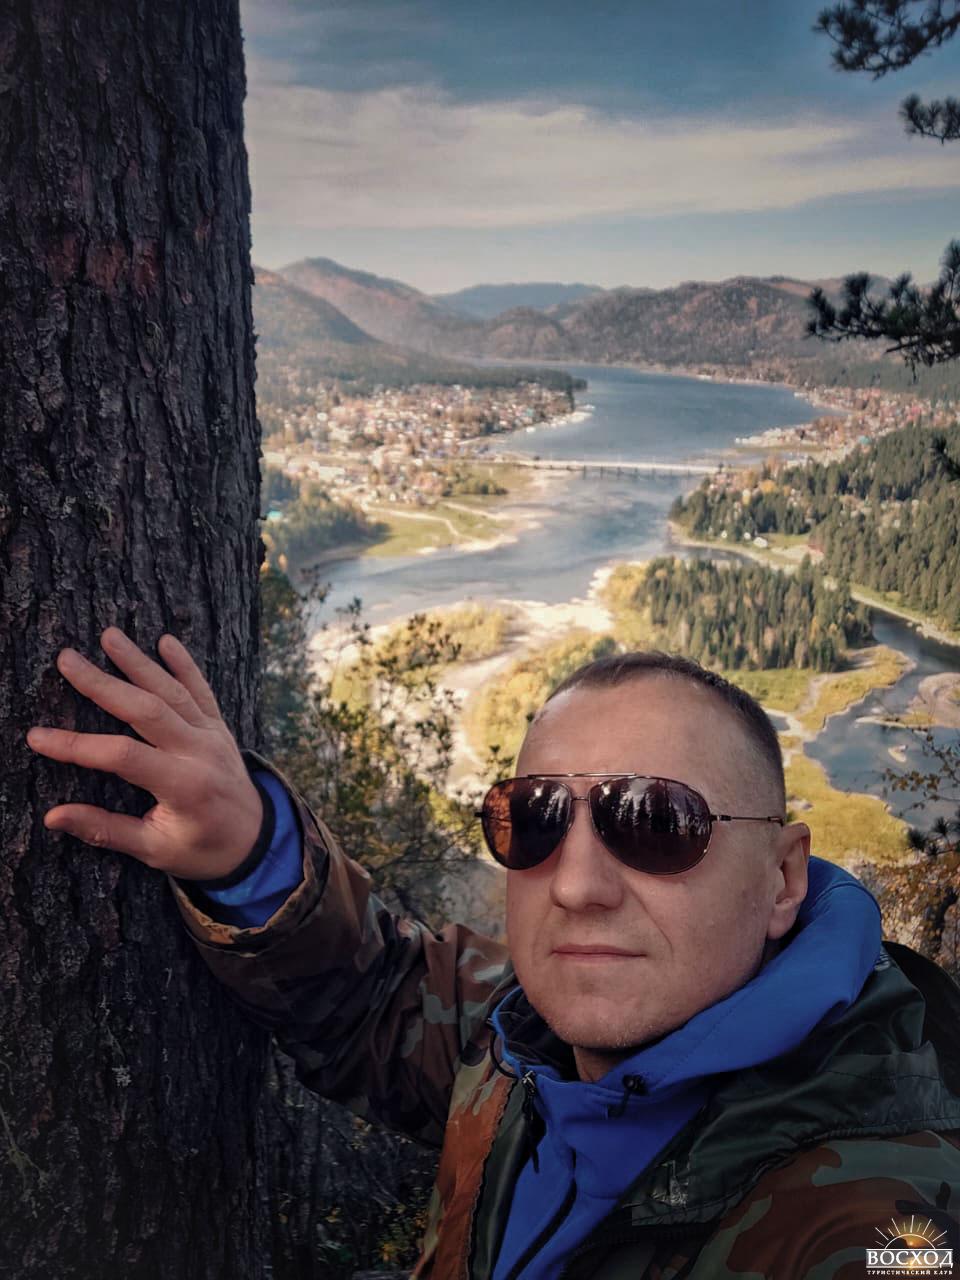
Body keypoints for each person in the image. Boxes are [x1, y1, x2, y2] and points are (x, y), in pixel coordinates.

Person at [26, 627, 960, 1279]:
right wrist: (245, 850)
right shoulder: (518, 1040)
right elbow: (380, 996)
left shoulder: (879, 1220)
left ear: (783, 878)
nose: (577, 884)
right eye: (535, 819)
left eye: (657, 823)